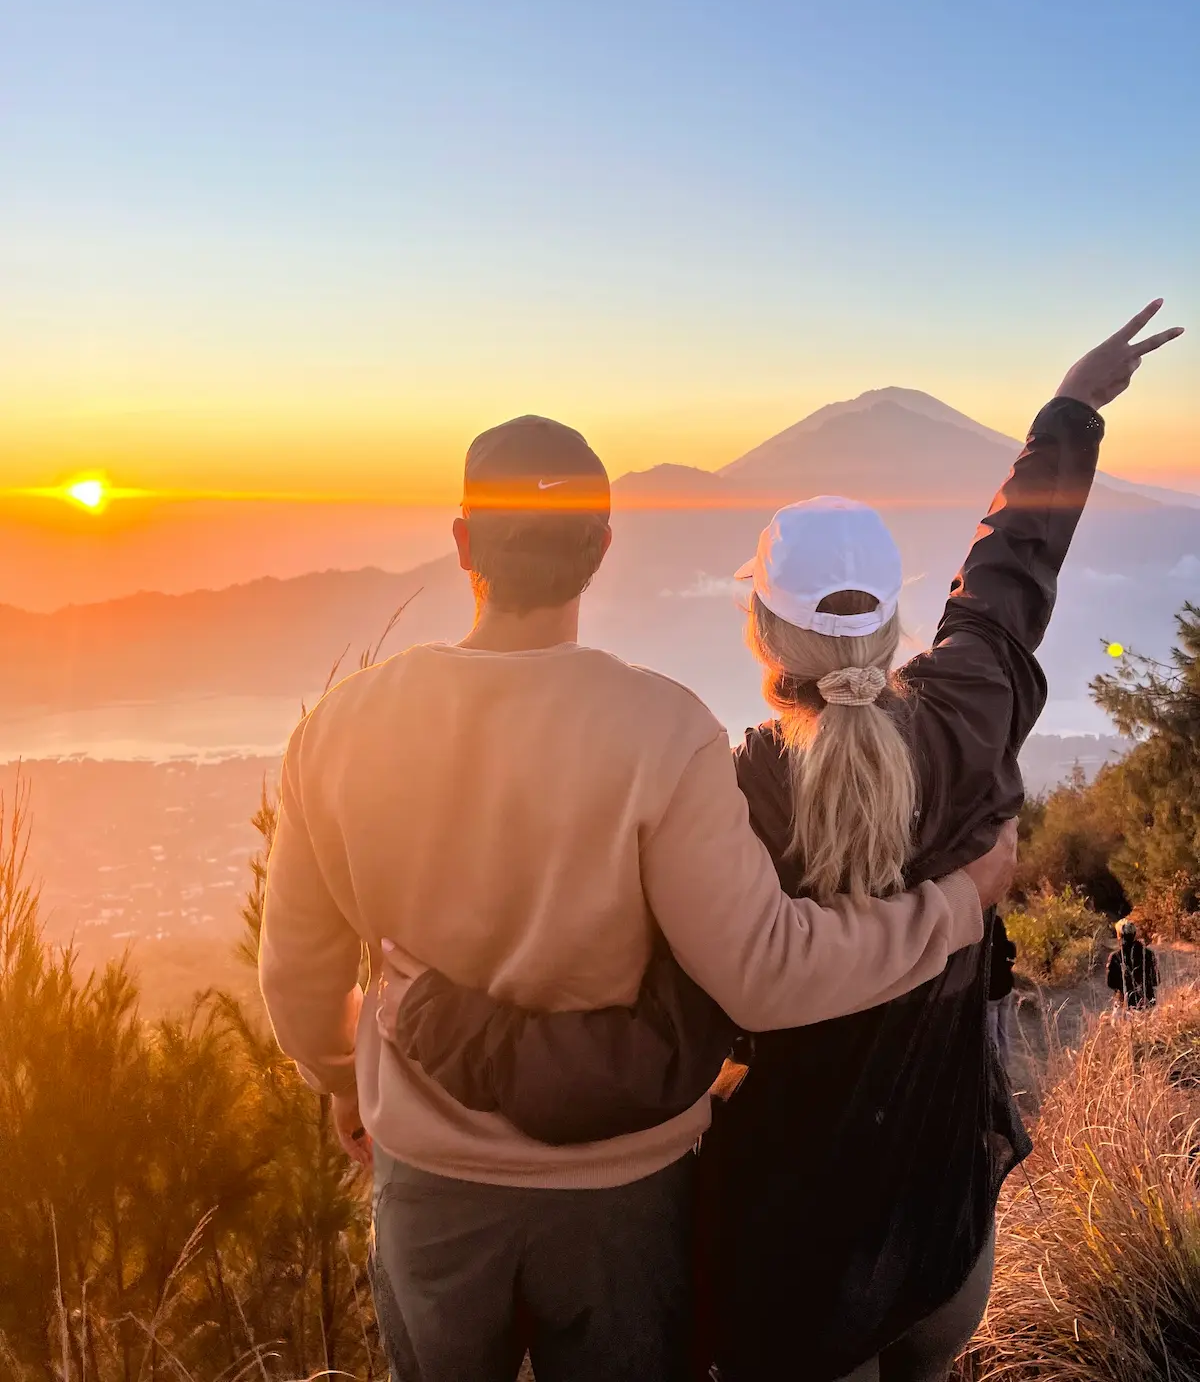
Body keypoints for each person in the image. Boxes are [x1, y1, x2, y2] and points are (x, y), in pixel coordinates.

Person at [378, 301, 1182, 1382]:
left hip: (797, 1266)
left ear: (758, 627)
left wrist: (437, 1017)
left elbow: (660, 1034)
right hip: (949, 1230)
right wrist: (1072, 407)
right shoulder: (972, 705)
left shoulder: (732, 788)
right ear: (898, 625)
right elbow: (1012, 570)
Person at [258, 411, 1015, 1382]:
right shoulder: (670, 731)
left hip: (432, 1185)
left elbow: (297, 978)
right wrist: (951, 910)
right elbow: (766, 973)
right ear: (602, 551)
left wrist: (340, 1078)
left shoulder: (341, 729)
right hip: (626, 1192)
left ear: (460, 544)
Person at [1107, 920, 1159, 1010]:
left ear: (1121, 936)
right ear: (1135, 934)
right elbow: (1156, 981)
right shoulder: (1148, 954)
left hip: (1124, 1003)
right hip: (1147, 1002)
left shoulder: (1115, 957)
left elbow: (1111, 983)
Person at [988, 912, 1018, 1067]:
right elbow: (1011, 964)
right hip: (1007, 991)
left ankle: (995, 1068)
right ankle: (1005, 1065)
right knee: (1003, 1032)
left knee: (992, 1037)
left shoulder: (987, 953)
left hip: (992, 997)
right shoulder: (1010, 946)